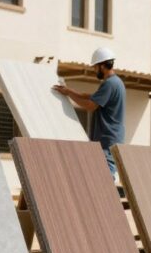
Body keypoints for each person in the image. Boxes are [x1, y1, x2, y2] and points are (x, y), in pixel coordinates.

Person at [52, 47, 125, 176]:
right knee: (101, 177)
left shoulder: (109, 84)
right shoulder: (117, 83)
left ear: (102, 66)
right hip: (111, 139)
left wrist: (69, 95)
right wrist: (69, 91)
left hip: (107, 140)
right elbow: (90, 96)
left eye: (95, 67)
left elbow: (90, 105)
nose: (94, 70)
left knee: (105, 179)